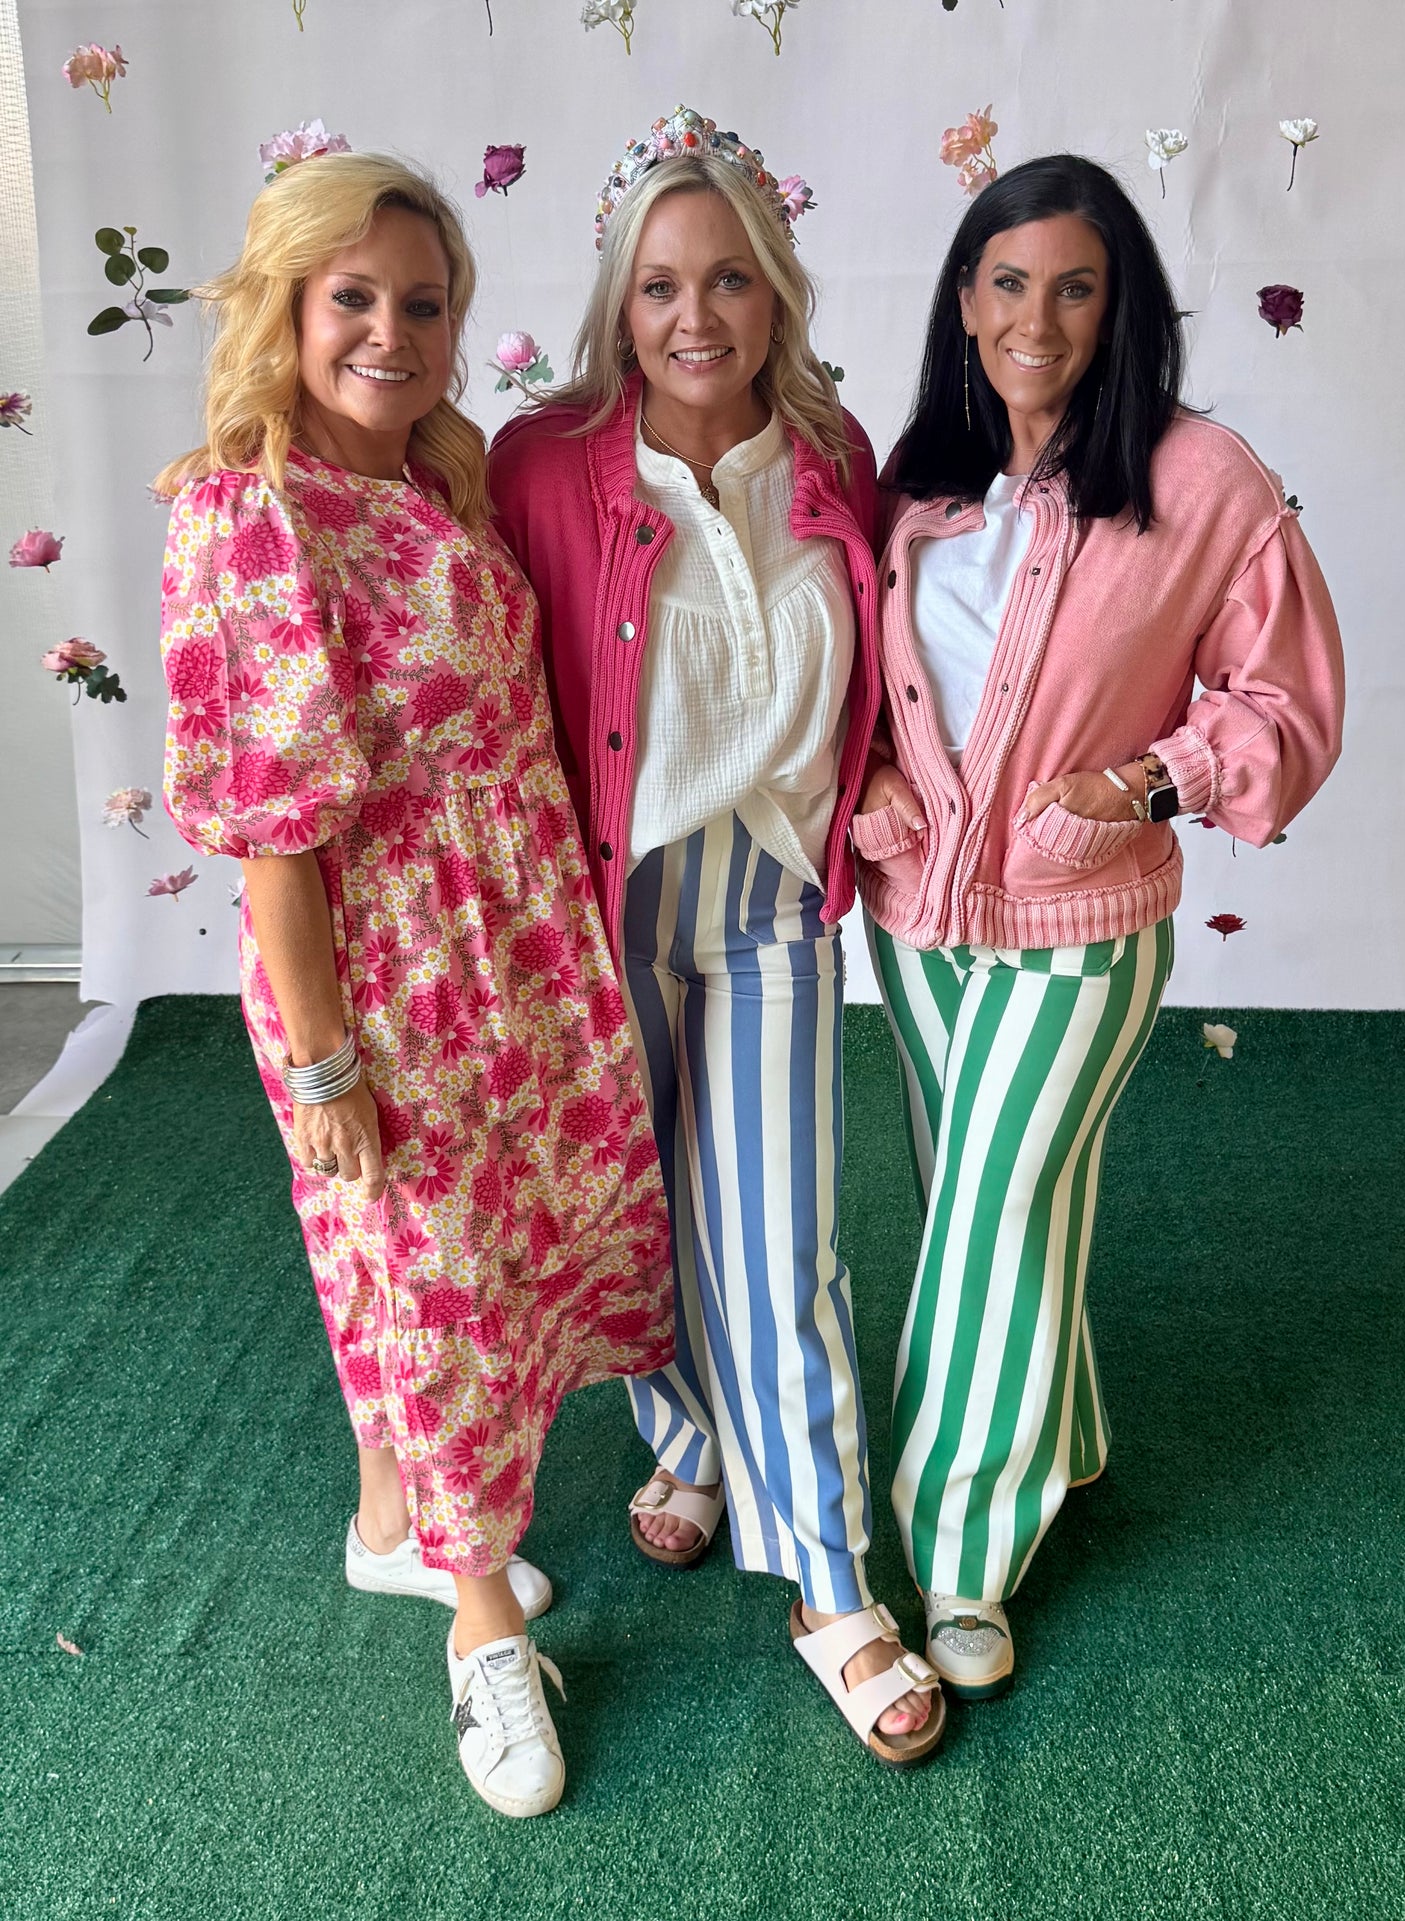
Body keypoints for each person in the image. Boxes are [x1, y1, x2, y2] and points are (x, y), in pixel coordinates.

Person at [156, 152, 673, 1818]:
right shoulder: (252, 508)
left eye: (422, 301)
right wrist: (324, 1067)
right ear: (291, 311)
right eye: (352, 299)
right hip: (383, 972)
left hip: (506, 939)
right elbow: (272, 836)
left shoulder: (439, 475)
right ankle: (475, 1632)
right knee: (435, 1284)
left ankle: (391, 1523)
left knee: (446, 1265)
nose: (390, 330)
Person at [856, 154, 1344, 1699]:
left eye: (1074, 285)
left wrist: (1143, 780)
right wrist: (868, 776)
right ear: (962, 299)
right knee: (990, 1195)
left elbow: (1289, 704)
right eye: (1007, 282)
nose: (1036, 317)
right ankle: (1057, 1434)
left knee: (989, 1211)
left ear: (1118, 303)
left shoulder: (1202, 481)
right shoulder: (916, 478)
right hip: (914, 918)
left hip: (1078, 920)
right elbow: (866, 678)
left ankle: (956, 1557)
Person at [488, 107, 943, 1766]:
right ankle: (683, 1441)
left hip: (768, 910)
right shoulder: (542, 462)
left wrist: (889, 770)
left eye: (731, 279)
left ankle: (830, 1581)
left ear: (776, 290)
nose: (698, 317)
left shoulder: (829, 451)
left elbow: (888, 659)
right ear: (621, 301)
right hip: (613, 904)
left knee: (780, 1245)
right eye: (663, 284)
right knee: (642, 1219)